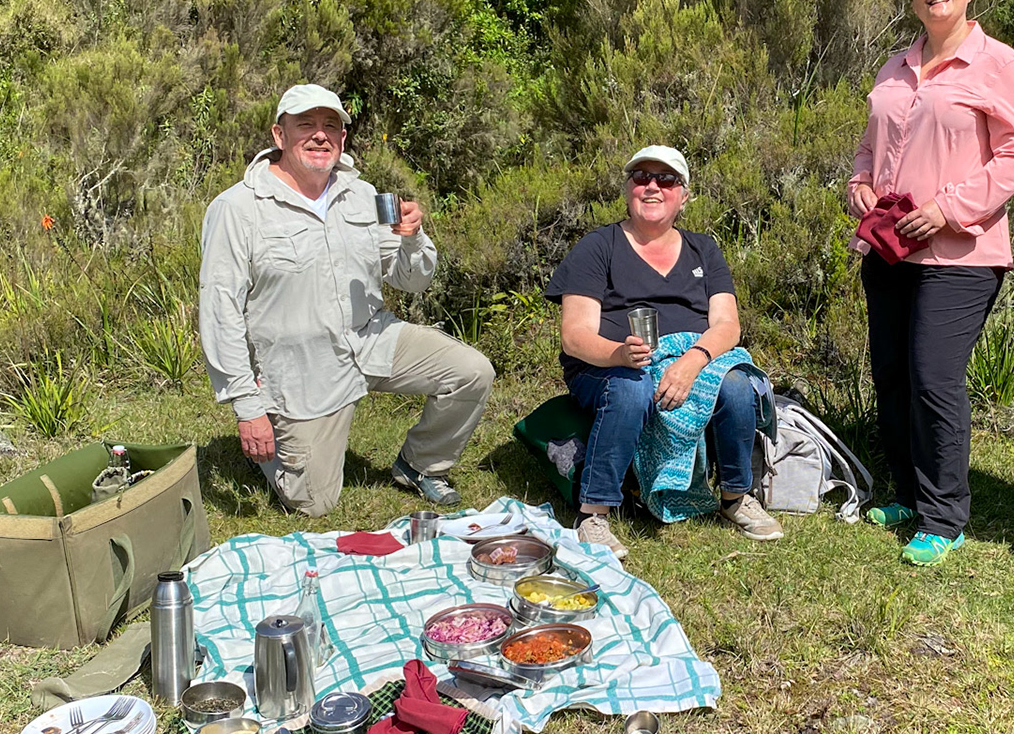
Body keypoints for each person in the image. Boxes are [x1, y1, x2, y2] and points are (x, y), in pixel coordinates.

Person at [199, 84, 495, 517]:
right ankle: (272, 446)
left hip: (371, 338)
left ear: (341, 138)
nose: (320, 136)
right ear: (278, 136)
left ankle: (421, 465)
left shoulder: (362, 195)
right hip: (301, 368)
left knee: (471, 372)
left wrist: (412, 240)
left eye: (331, 126)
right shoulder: (237, 208)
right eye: (306, 125)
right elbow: (219, 312)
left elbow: (412, 281)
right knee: (315, 503)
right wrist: (248, 406)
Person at [849, 0, 1014, 567]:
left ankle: (943, 514)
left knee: (934, 379)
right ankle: (907, 491)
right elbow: (868, 148)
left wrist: (950, 208)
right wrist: (860, 188)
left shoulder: (999, 65)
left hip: (961, 252)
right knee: (895, 375)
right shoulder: (893, 66)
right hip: (888, 249)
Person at [542, 145, 784, 559]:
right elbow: (575, 336)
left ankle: (735, 496)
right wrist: (619, 353)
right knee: (632, 389)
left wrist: (692, 363)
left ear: (683, 195)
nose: (652, 186)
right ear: (627, 189)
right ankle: (594, 513)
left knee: (738, 386)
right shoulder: (598, 247)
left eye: (666, 179)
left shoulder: (703, 250)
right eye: (642, 177)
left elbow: (728, 325)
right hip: (608, 363)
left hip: (690, 357)